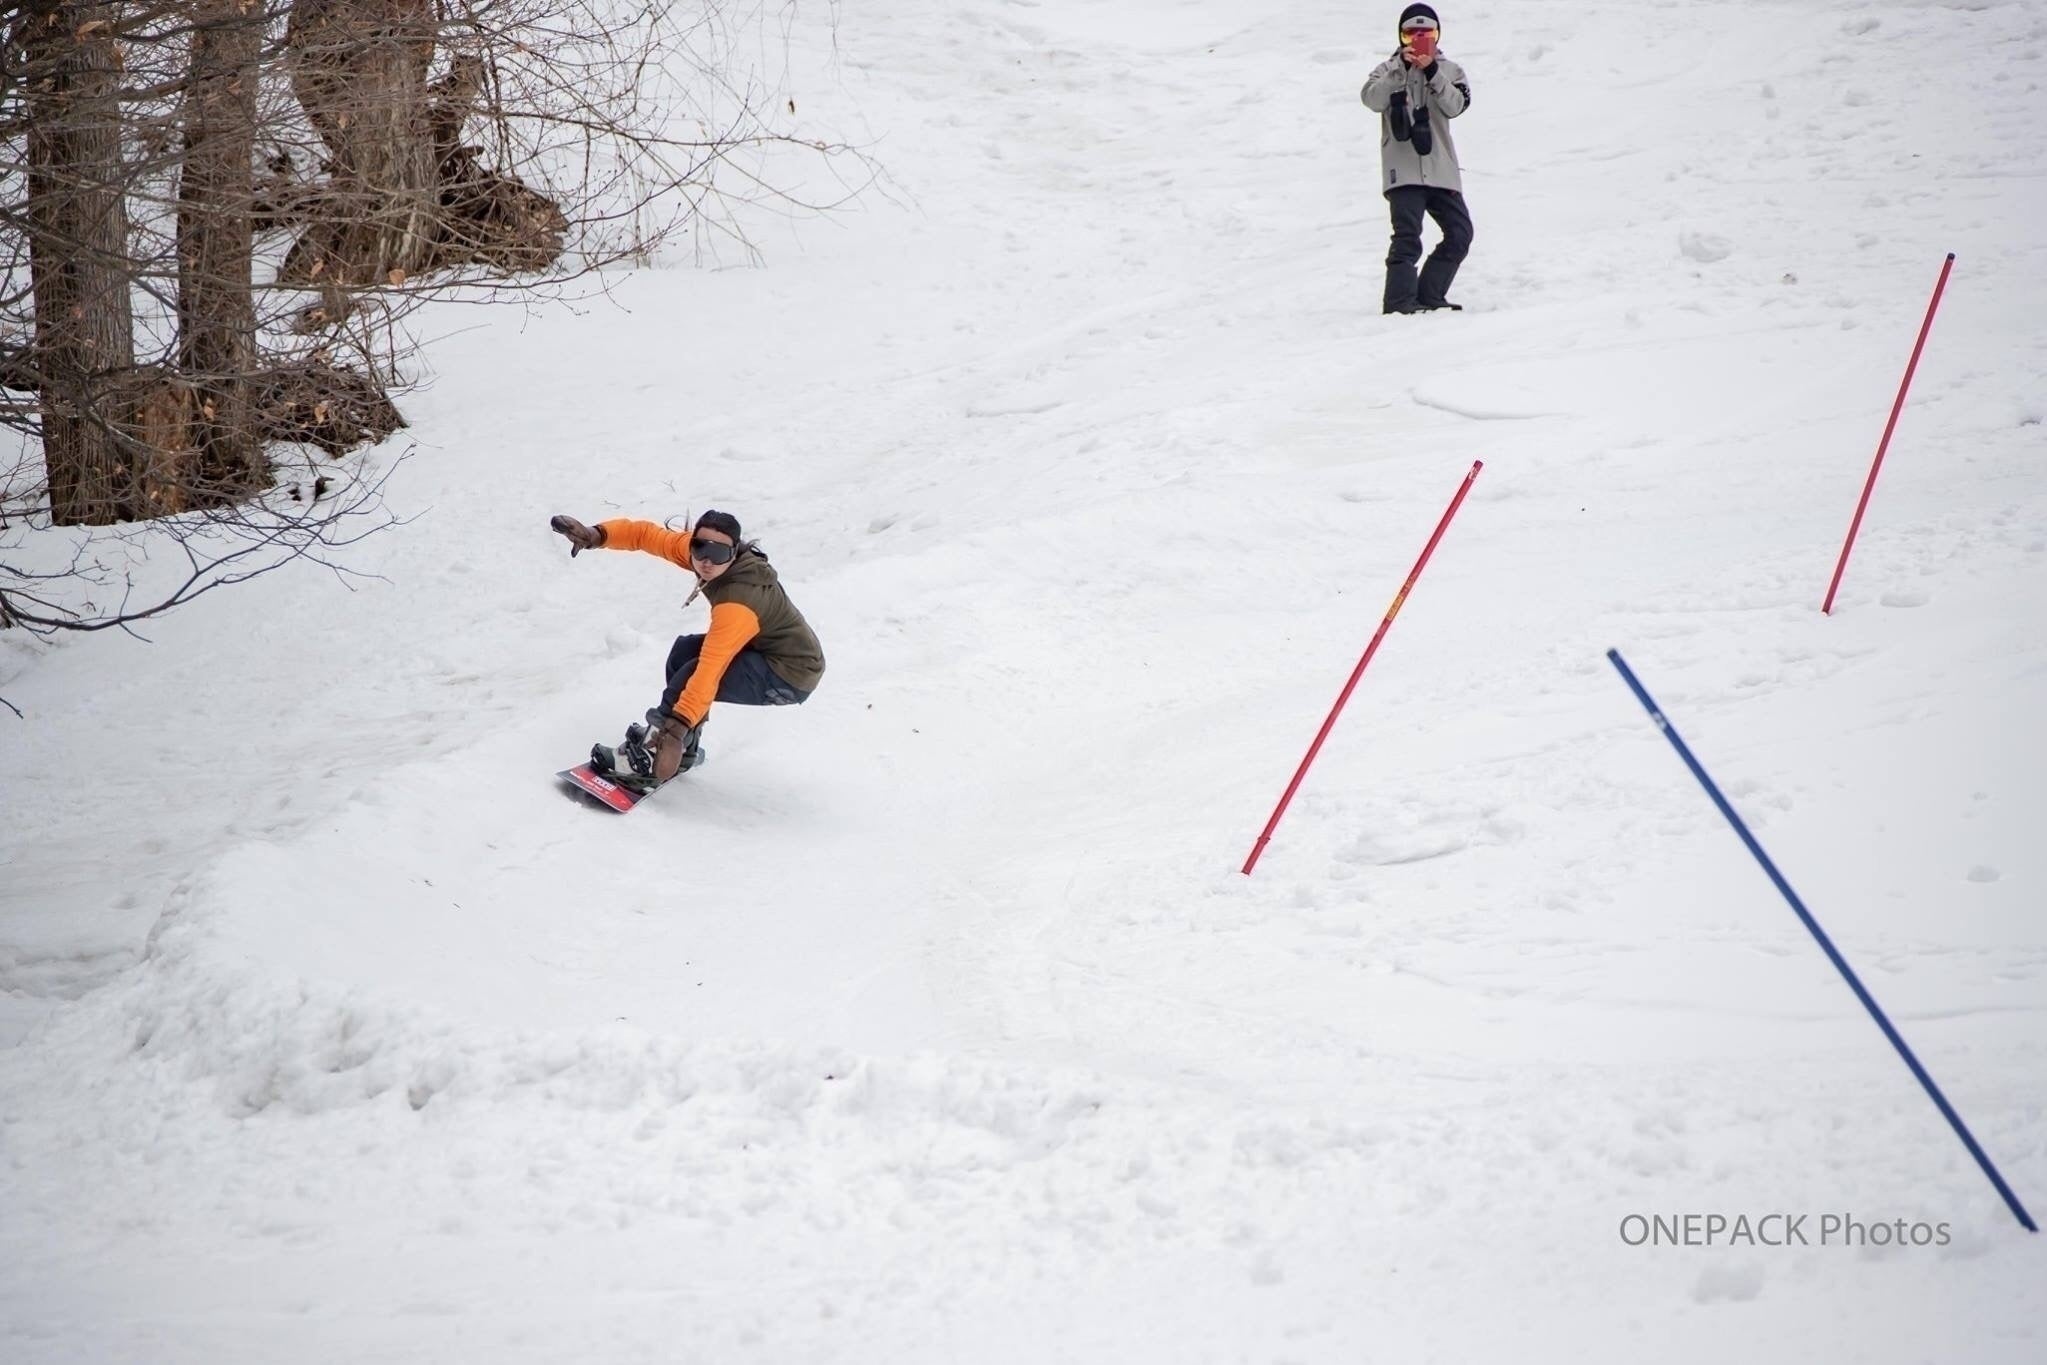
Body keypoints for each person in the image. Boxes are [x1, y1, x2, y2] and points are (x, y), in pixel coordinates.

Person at [549, 509, 825, 786]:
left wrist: (676, 727)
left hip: (790, 675)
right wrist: (596, 535)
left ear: (733, 552)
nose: (706, 561)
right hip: (764, 652)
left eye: (717, 554)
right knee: (683, 652)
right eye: (699, 547)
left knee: (693, 672)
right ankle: (683, 751)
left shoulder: (738, 603)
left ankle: (650, 755)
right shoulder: (707, 558)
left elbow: (709, 672)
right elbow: (645, 535)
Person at [1360, 4, 1474, 314]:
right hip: (1404, 169)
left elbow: (1456, 106)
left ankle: (1429, 296)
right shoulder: (1387, 69)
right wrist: (1402, 71)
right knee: (1407, 236)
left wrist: (1432, 73)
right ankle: (1399, 304)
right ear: (1400, 36)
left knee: (1460, 233)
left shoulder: (1451, 71)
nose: (1419, 39)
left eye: (1427, 33)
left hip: (1441, 169)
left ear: (1438, 35)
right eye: (1411, 33)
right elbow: (1371, 99)